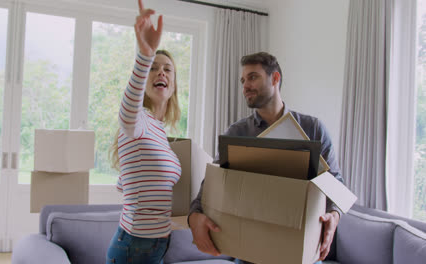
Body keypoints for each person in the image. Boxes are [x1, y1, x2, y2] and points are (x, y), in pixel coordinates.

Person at [188, 52, 344, 263]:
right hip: (250, 253)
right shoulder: (237, 133)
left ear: (275, 79)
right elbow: (213, 183)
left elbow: (336, 185)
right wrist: (194, 215)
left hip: (299, 251)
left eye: (253, 77)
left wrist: (334, 215)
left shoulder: (313, 129)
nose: (245, 86)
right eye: (243, 80)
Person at [105, 0, 181, 263]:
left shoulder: (160, 131)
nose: (161, 72)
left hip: (157, 246)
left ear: (173, 87)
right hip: (133, 248)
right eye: (154, 68)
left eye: (167, 69)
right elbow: (127, 111)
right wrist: (144, 56)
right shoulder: (137, 119)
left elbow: (129, 182)